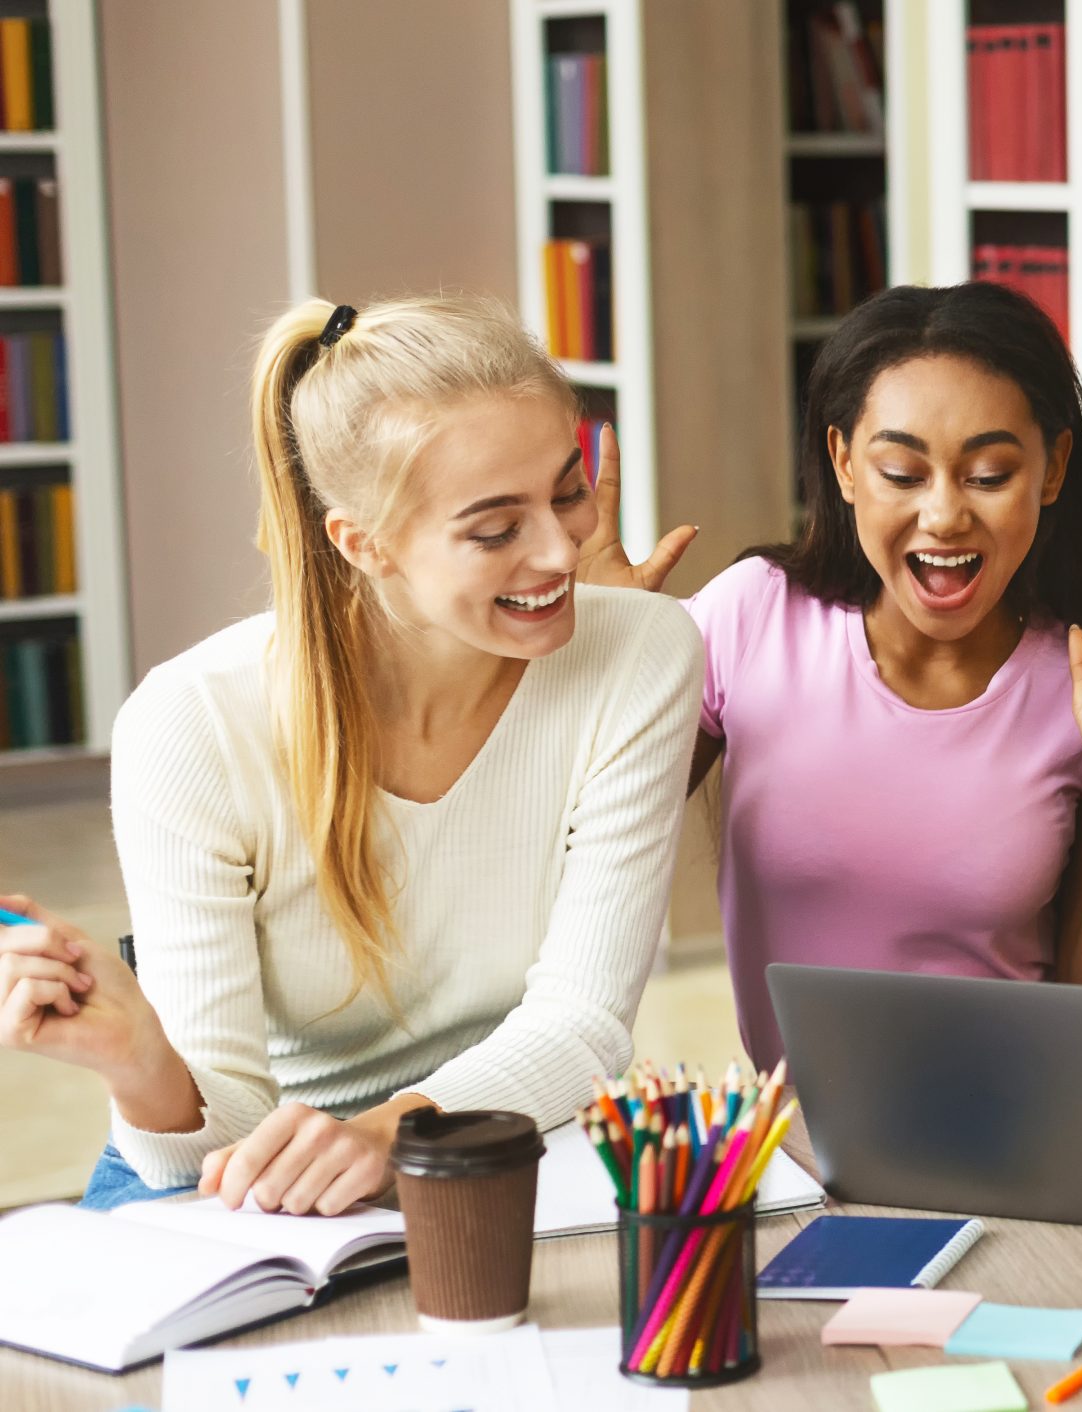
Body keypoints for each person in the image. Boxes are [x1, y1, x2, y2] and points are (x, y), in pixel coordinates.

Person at [0, 295, 701, 1215]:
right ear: (361, 543)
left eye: (568, 491)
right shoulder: (190, 723)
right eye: (495, 529)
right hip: (255, 1168)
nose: (562, 549)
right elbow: (211, 1151)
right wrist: (140, 1060)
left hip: (508, 1128)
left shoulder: (642, 652)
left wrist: (392, 1134)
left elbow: (584, 1025)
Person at [608, 282, 1082, 1071]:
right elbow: (576, 851)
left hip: (1022, 1127)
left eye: (987, 475)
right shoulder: (751, 617)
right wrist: (599, 666)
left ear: (1053, 469)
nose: (945, 516)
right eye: (902, 473)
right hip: (805, 1136)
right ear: (844, 463)